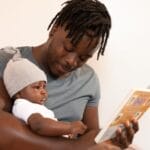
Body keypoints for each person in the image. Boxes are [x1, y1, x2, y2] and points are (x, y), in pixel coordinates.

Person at [0, 0, 139, 149]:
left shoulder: (89, 80)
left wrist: (113, 140)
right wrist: (74, 146)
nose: (72, 62)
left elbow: (91, 135)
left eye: (83, 58)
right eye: (68, 48)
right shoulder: (11, 61)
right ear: (54, 29)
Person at [3, 53, 87, 138]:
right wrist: (70, 127)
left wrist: (67, 135)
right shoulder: (23, 105)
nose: (43, 92)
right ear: (18, 93)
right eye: (37, 87)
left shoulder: (33, 105)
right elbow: (39, 125)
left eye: (44, 87)